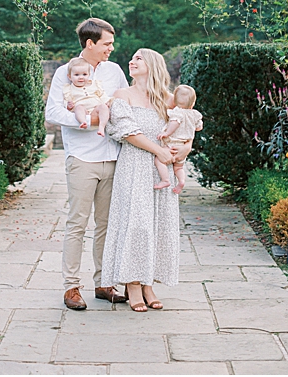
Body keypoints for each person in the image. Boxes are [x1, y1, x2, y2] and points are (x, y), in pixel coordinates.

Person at [45, 18, 129, 311]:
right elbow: (54, 111)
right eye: (106, 43)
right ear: (90, 44)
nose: (111, 48)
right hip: (82, 158)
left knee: (107, 224)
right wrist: (88, 122)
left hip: (114, 158)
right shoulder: (64, 73)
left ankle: (104, 283)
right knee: (77, 223)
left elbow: (125, 105)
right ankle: (71, 286)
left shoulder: (114, 71)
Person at [101, 48, 191, 312]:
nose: (132, 61)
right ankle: (132, 284)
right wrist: (159, 151)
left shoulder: (169, 99)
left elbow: (187, 127)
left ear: (152, 65)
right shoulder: (123, 95)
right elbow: (126, 132)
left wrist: (185, 149)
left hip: (162, 168)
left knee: (158, 224)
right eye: (132, 58)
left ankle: (148, 283)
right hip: (134, 166)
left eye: (138, 58)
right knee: (136, 224)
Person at [154, 84, 202, 193]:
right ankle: (181, 181)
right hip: (183, 146)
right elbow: (199, 127)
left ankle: (165, 180)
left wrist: (166, 133)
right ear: (193, 103)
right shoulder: (195, 114)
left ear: (175, 101)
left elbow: (175, 123)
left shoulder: (177, 112)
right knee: (179, 168)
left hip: (172, 144)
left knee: (159, 160)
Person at [62, 57, 111, 137]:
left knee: (103, 107)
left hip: (95, 109)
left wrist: (106, 101)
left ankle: (102, 126)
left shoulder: (95, 85)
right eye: (77, 75)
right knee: (78, 108)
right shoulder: (69, 89)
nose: (81, 77)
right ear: (70, 77)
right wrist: (68, 106)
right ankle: (83, 122)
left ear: (89, 75)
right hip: (83, 110)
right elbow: (66, 100)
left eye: (84, 74)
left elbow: (102, 94)